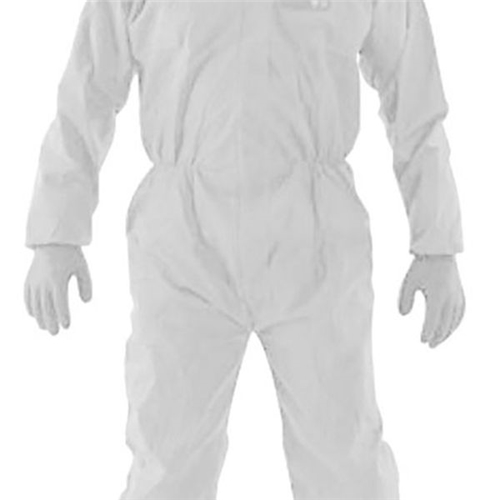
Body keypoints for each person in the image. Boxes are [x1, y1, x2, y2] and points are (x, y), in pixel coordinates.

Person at [23, 0, 466, 498]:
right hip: (183, 245)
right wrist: (56, 230)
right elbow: (88, 88)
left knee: (344, 461)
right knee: (167, 460)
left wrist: (437, 242)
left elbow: (413, 89)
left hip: (314, 244)